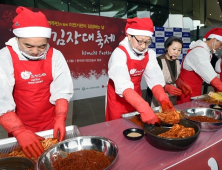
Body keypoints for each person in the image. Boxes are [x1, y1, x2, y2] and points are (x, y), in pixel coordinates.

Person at [0, 7, 73, 159]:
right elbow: (1, 99)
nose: (35, 52)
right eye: (29, 46)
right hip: (19, 124)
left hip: (50, 123)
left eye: (42, 46)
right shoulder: (5, 56)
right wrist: (19, 130)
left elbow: (62, 89)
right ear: (17, 38)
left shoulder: (55, 55)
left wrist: (60, 116)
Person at [105, 17, 175, 124]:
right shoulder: (119, 54)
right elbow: (123, 85)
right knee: (117, 129)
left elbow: (154, 79)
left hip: (136, 97)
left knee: (135, 128)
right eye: (140, 41)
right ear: (129, 36)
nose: (143, 46)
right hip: (118, 100)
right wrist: (142, 106)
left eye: (147, 42)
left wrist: (163, 99)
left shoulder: (149, 54)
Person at [177, 28, 222, 104]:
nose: (220, 48)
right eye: (221, 44)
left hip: (194, 92)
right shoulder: (199, 52)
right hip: (187, 93)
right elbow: (211, 77)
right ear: (214, 39)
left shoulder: (204, 51)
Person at [146, 36, 192, 107]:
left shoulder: (177, 62)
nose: (176, 52)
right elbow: (151, 82)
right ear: (167, 47)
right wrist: (165, 87)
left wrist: (181, 84)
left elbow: (175, 78)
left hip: (172, 96)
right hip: (158, 97)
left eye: (179, 50)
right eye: (174, 49)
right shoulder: (158, 61)